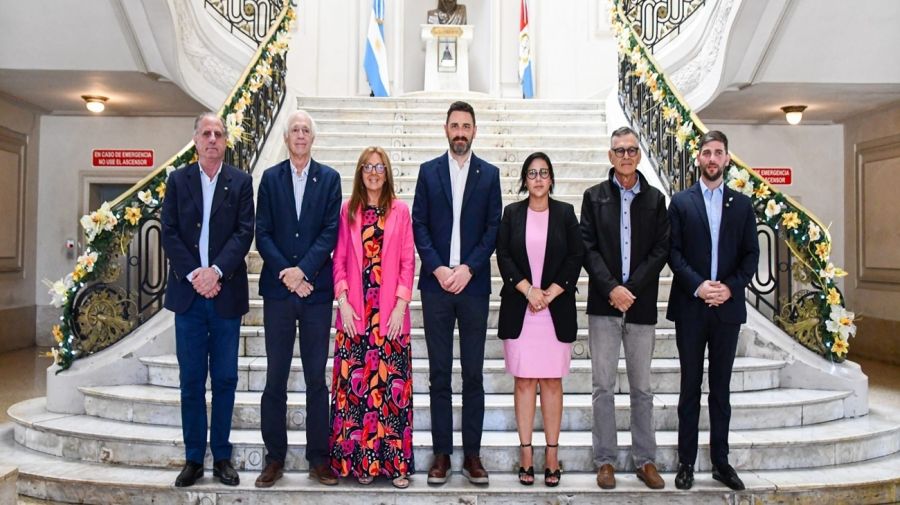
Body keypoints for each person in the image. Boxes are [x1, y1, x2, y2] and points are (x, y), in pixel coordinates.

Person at [161, 112, 254, 488]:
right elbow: (168, 232)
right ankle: (194, 458)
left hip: (225, 294)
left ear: (225, 141)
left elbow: (244, 231)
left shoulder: (242, 182)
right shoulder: (177, 180)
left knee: (226, 379)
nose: (213, 139)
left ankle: (223, 457)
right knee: (192, 381)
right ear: (196, 140)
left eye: (218, 133)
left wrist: (215, 271)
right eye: (206, 133)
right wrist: (195, 275)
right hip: (188, 297)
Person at [412, 100, 502, 485]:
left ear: (475, 131)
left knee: (473, 374)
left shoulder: (490, 174)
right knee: (439, 374)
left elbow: (493, 227)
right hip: (436, 286)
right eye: (455, 126)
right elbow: (419, 224)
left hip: (473, 286)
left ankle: (473, 456)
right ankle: (442, 455)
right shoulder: (428, 172)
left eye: (467, 126)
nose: (460, 132)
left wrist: (468, 268)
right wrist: (438, 267)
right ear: (446, 129)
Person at [253, 110, 342, 488]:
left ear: (313, 138)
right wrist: (289, 276)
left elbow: (330, 232)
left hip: (316, 293)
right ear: (287, 138)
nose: (300, 135)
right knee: (275, 377)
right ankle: (274, 459)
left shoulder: (330, 179)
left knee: (315, 380)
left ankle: (318, 459)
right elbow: (263, 233)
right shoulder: (270, 179)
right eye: (295, 130)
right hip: (279, 293)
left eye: (306, 130)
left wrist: (303, 272)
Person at [667, 130, 759, 491]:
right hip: (691, 307)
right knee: (690, 386)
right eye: (706, 152)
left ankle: (721, 462)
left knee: (721, 389)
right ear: (698, 158)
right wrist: (699, 285)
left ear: (727, 159)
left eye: (718, 152)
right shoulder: (681, 201)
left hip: (727, 309)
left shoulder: (742, 204)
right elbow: (673, 252)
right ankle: (686, 463)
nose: (712, 158)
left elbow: (751, 254)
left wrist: (729, 288)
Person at [580, 126, 670, 490]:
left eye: (632, 150)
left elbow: (661, 250)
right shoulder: (594, 196)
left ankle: (644, 460)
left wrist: (630, 290)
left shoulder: (655, 199)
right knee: (602, 386)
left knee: (642, 388)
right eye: (620, 150)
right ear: (610, 156)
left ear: (639, 154)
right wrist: (612, 289)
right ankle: (605, 461)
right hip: (603, 306)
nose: (626, 156)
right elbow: (588, 248)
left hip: (641, 305)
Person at [329, 146, 416, 489]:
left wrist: (400, 306)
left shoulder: (400, 211)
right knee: (356, 393)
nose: (374, 172)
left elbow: (408, 263)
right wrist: (344, 301)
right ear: (360, 172)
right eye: (368, 166)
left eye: (380, 166)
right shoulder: (347, 211)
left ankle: (395, 466)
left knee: (391, 393)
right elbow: (338, 262)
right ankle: (361, 464)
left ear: (387, 171)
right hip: (355, 315)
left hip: (390, 318)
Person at [496, 152, 583, 487]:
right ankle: (526, 454)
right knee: (523, 382)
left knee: (551, 382)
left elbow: (576, 256)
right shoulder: (512, 213)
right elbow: (503, 254)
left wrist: (550, 292)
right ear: (524, 179)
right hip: (522, 309)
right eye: (532, 173)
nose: (538, 179)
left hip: (554, 309)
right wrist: (528, 290)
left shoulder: (565, 213)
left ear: (551, 178)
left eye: (543, 172)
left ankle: (551, 454)